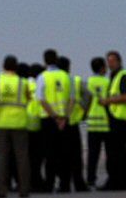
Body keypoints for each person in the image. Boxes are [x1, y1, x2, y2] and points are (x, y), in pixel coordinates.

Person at [0, 56, 30, 198]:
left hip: (1, 122)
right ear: (16, 66)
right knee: (22, 158)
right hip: (19, 122)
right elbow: (29, 98)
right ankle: (24, 190)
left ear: (3, 66)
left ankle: (2, 190)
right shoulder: (22, 82)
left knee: (2, 158)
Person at [36, 49, 74, 193]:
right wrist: (64, 117)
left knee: (49, 154)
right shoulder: (67, 76)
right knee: (64, 153)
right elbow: (72, 99)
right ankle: (65, 185)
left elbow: (41, 100)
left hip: (49, 120)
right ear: (57, 59)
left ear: (45, 61)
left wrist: (54, 116)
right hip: (64, 120)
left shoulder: (42, 77)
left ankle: (49, 184)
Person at [98, 51, 126, 191]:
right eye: (108, 61)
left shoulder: (123, 76)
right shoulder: (114, 76)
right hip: (115, 118)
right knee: (119, 154)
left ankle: (115, 182)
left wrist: (107, 101)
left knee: (115, 154)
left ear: (119, 61)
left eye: (112, 61)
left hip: (121, 119)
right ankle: (124, 182)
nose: (110, 63)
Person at [57, 56, 89, 192]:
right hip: (73, 120)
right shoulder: (75, 80)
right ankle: (79, 183)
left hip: (58, 121)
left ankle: (64, 184)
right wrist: (83, 109)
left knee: (62, 155)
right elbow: (88, 95)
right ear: (69, 67)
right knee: (76, 156)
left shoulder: (53, 80)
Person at [85, 57, 110, 187]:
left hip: (92, 123)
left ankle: (90, 178)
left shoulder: (88, 82)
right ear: (101, 68)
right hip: (106, 123)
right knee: (109, 154)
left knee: (92, 154)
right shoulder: (108, 82)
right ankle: (110, 176)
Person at [26, 63, 46, 192]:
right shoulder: (41, 85)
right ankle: (37, 181)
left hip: (25, 124)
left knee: (28, 157)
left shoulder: (25, 84)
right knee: (38, 158)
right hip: (39, 124)